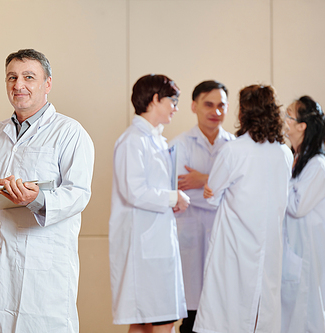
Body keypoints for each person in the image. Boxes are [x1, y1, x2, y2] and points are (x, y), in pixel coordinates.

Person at [0, 49, 94, 333]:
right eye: (12, 77)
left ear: (47, 83)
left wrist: (36, 199)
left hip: (45, 262)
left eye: (28, 77)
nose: (18, 84)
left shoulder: (69, 132)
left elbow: (79, 192)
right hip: (1, 260)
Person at [193, 84, 293, 333]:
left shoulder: (233, 150)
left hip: (235, 246)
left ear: (244, 113)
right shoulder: (284, 152)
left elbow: (212, 195)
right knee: (263, 312)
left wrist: (210, 187)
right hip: (269, 246)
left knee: (228, 314)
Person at [109, 74, 190, 333]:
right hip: (144, 246)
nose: (176, 108)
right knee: (161, 319)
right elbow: (134, 191)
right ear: (155, 99)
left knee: (145, 322)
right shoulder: (133, 140)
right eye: (173, 101)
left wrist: (171, 199)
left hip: (154, 242)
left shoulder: (155, 139)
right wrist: (172, 197)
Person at [169, 80, 234, 333]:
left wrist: (203, 180)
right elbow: (178, 193)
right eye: (209, 104)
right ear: (194, 106)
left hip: (224, 237)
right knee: (192, 316)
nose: (216, 112)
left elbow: (240, 192)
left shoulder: (234, 146)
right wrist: (220, 186)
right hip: (190, 237)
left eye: (221, 106)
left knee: (224, 311)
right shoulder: (178, 145)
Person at [281, 96, 325, 333]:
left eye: (289, 114)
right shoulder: (294, 158)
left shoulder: (317, 165)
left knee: (306, 317)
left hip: (306, 255)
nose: (284, 119)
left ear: (301, 125)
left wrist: (278, 178)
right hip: (291, 254)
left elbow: (296, 206)